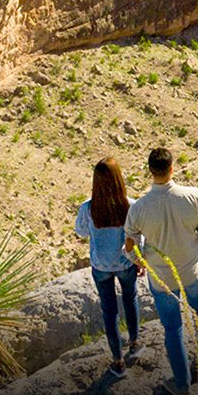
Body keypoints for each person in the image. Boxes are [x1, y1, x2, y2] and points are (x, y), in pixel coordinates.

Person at [124, 146, 198, 395]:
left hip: (161, 278)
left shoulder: (139, 208)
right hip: (192, 269)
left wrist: (139, 262)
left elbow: (129, 244)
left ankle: (183, 386)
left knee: (173, 328)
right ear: (172, 168)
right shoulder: (193, 195)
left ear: (150, 171)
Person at [73, 157, 140, 378]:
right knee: (130, 300)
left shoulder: (89, 207)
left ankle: (118, 362)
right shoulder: (129, 204)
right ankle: (135, 343)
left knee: (109, 311)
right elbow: (139, 235)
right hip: (125, 262)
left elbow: (81, 232)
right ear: (118, 179)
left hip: (100, 265)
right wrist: (140, 261)